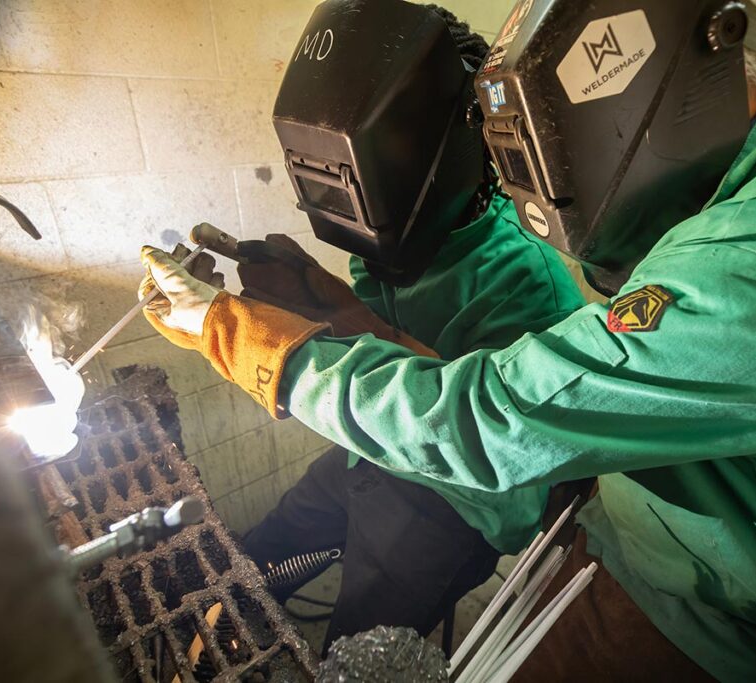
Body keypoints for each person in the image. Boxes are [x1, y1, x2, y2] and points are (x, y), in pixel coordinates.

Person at [138, 0, 756, 679]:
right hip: (655, 530)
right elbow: (445, 367)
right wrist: (305, 296)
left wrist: (243, 339)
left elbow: (491, 421)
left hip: (736, 619)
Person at [141, 2, 585, 654]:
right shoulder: (404, 245)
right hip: (370, 447)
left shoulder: (523, 285)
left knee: (348, 659)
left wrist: (237, 330)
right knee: (249, 563)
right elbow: (388, 338)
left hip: (459, 502)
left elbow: (491, 452)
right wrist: (306, 291)